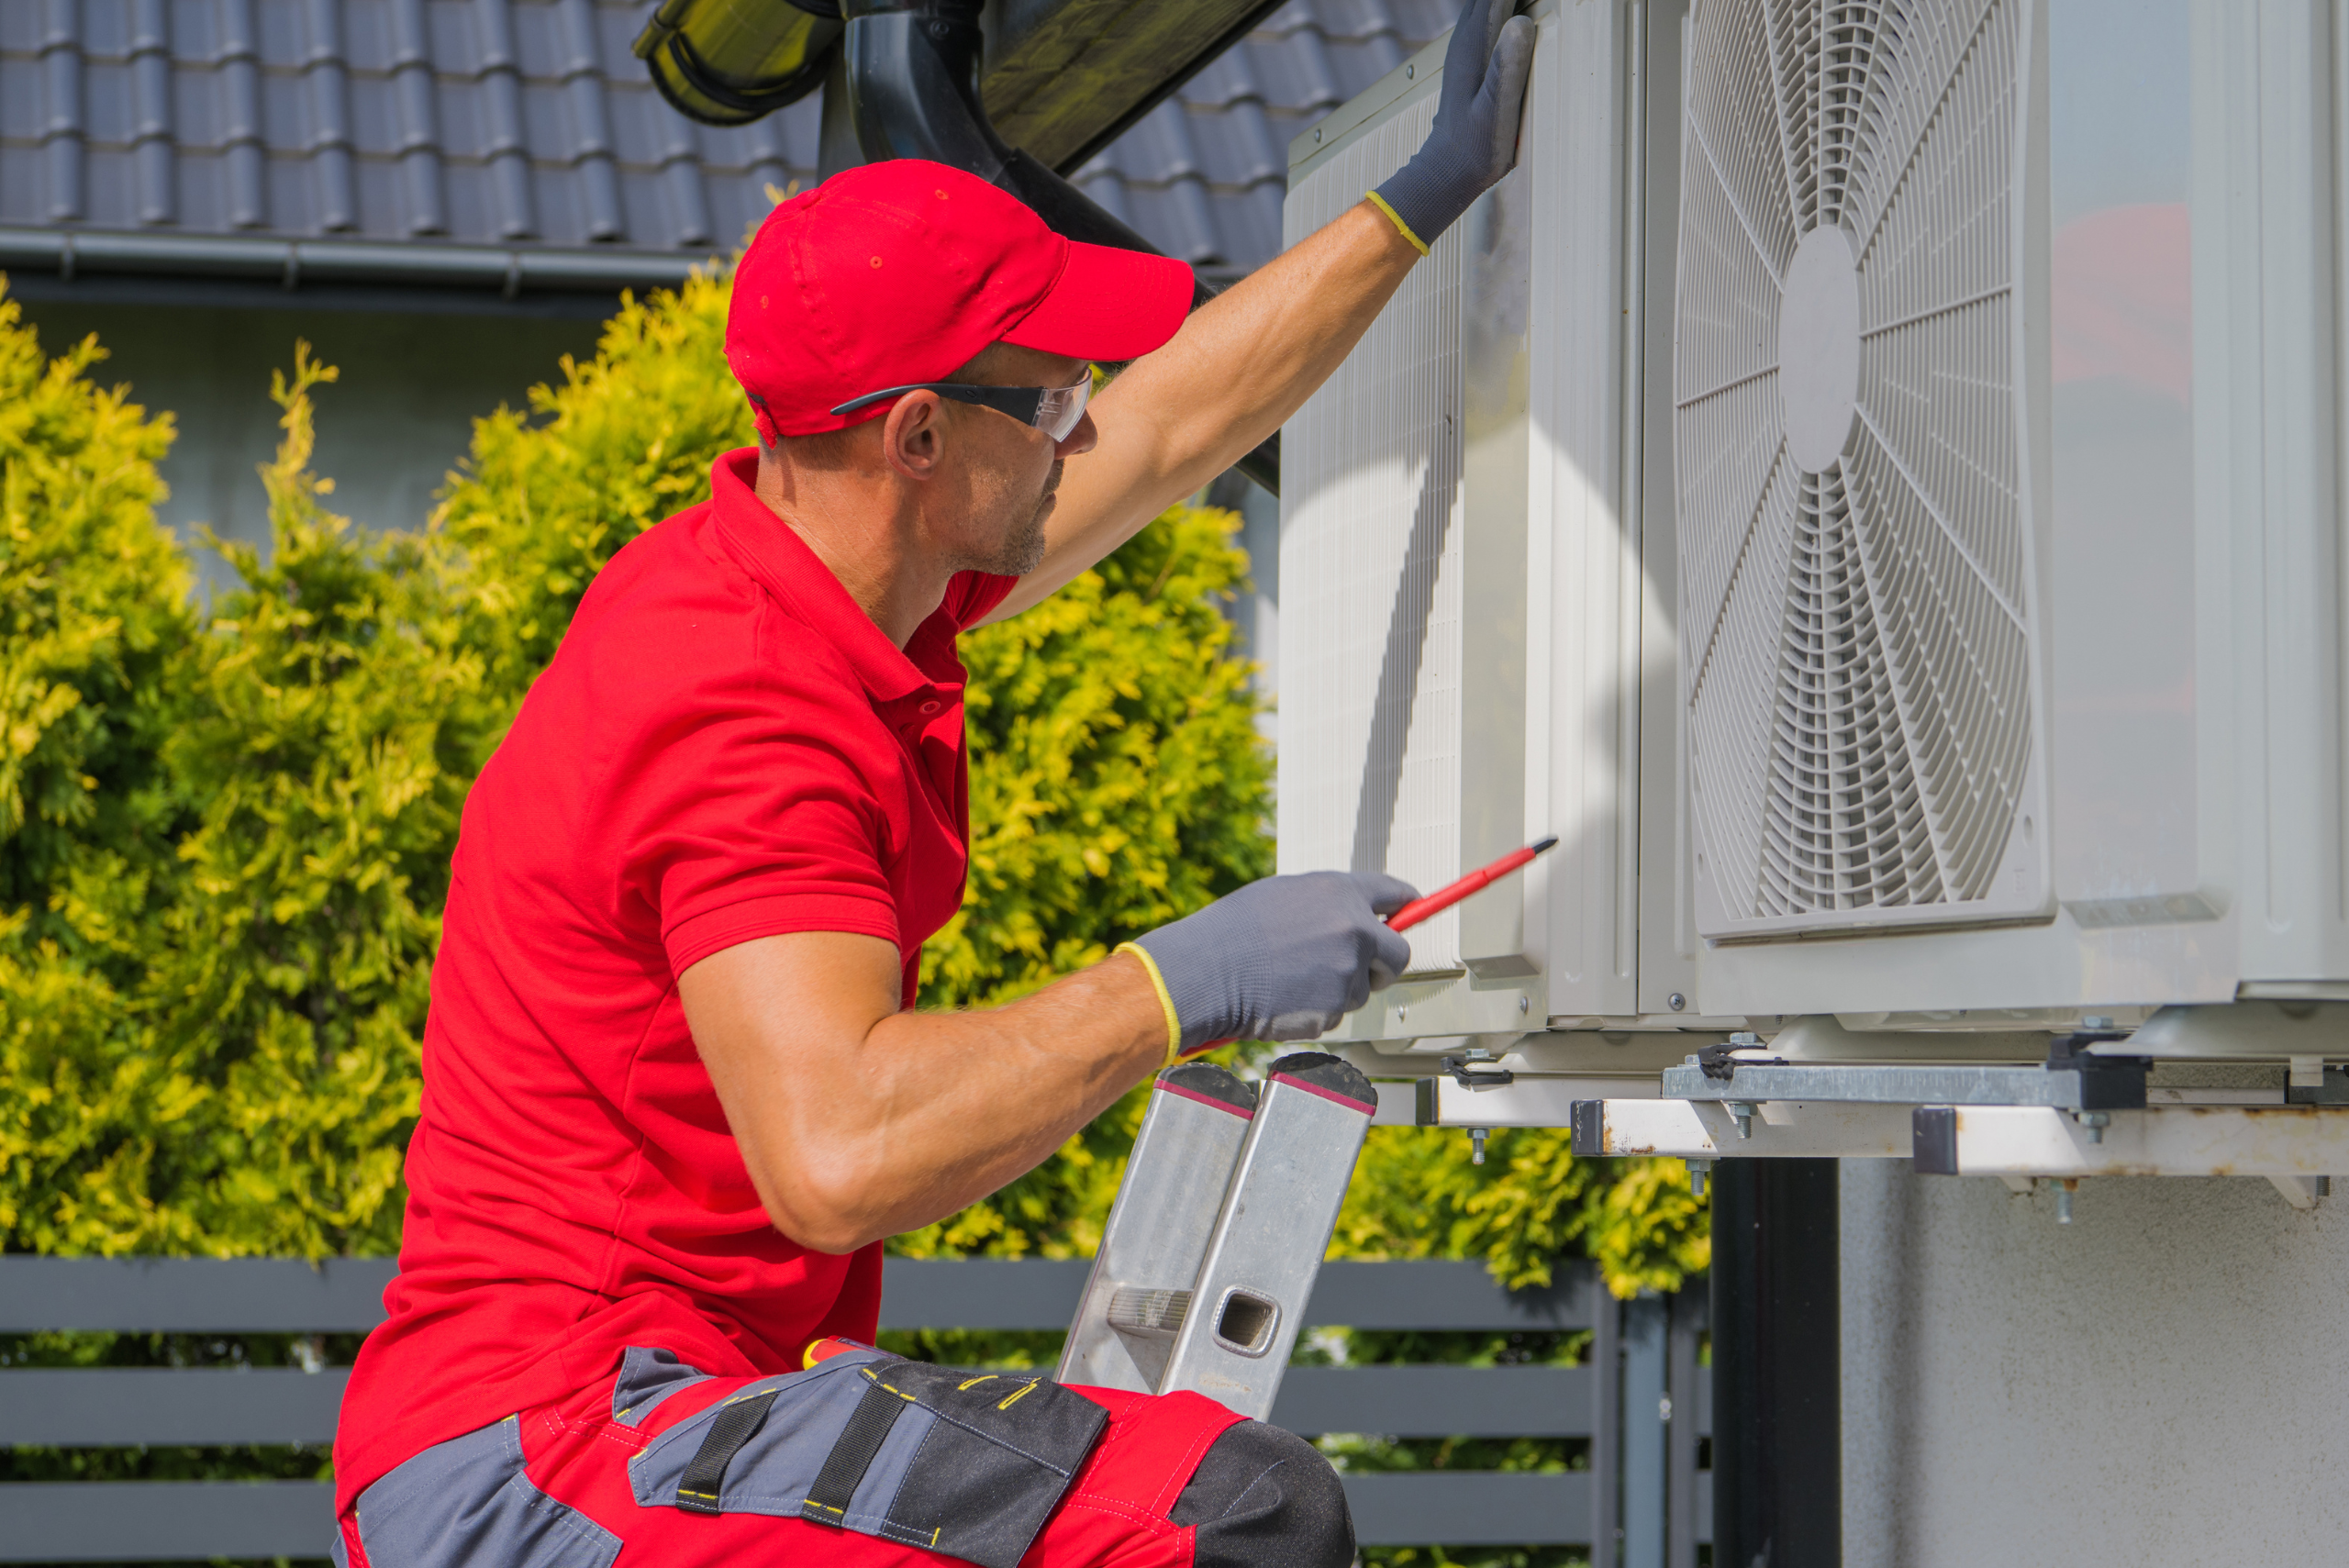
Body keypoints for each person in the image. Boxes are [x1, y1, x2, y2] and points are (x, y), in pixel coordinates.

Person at [330, 4, 1534, 1564]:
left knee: (1225, 1508)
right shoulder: (736, 707)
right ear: (914, 434)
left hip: (661, 1405)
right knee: (1227, 1527)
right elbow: (840, 1158)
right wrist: (1185, 982)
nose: (1081, 421)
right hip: (551, 1449)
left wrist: (1422, 201)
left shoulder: (829, 583)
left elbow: (1170, 422)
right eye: (1045, 397)